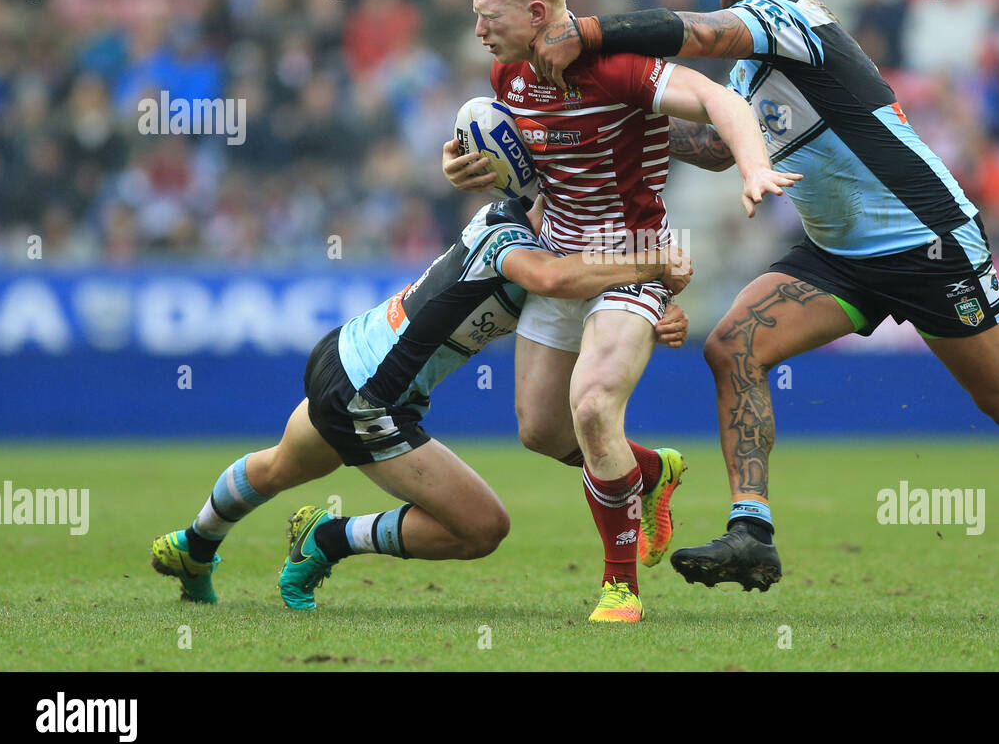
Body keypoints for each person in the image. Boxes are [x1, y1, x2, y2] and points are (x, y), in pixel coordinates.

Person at [532, 0, 999, 607]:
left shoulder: (791, 19)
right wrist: (605, 122)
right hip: (840, 255)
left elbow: (696, 33)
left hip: (925, 241)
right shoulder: (753, 67)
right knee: (733, 346)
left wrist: (588, 34)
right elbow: (716, 146)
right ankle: (753, 531)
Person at [442, 0, 799, 621]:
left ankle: (619, 586)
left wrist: (753, 169)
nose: (479, 28)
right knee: (541, 430)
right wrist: (467, 167)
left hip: (635, 258)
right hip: (560, 260)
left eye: (487, 16)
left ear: (537, 12)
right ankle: (650, 471)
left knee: (594, 406)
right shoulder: (508, 75)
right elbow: (530, 166)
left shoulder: (618, 67)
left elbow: (717, 98)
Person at [149, 196, 691, 610]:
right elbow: (555, 278)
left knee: (277, 467)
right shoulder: (511, 240)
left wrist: (655, 310)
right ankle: (328, 537)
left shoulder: (517, 228)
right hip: (371, 396)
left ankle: (193, 547)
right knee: (483, 528)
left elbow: (587, 300)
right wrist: (652, 268)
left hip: (347, 356)